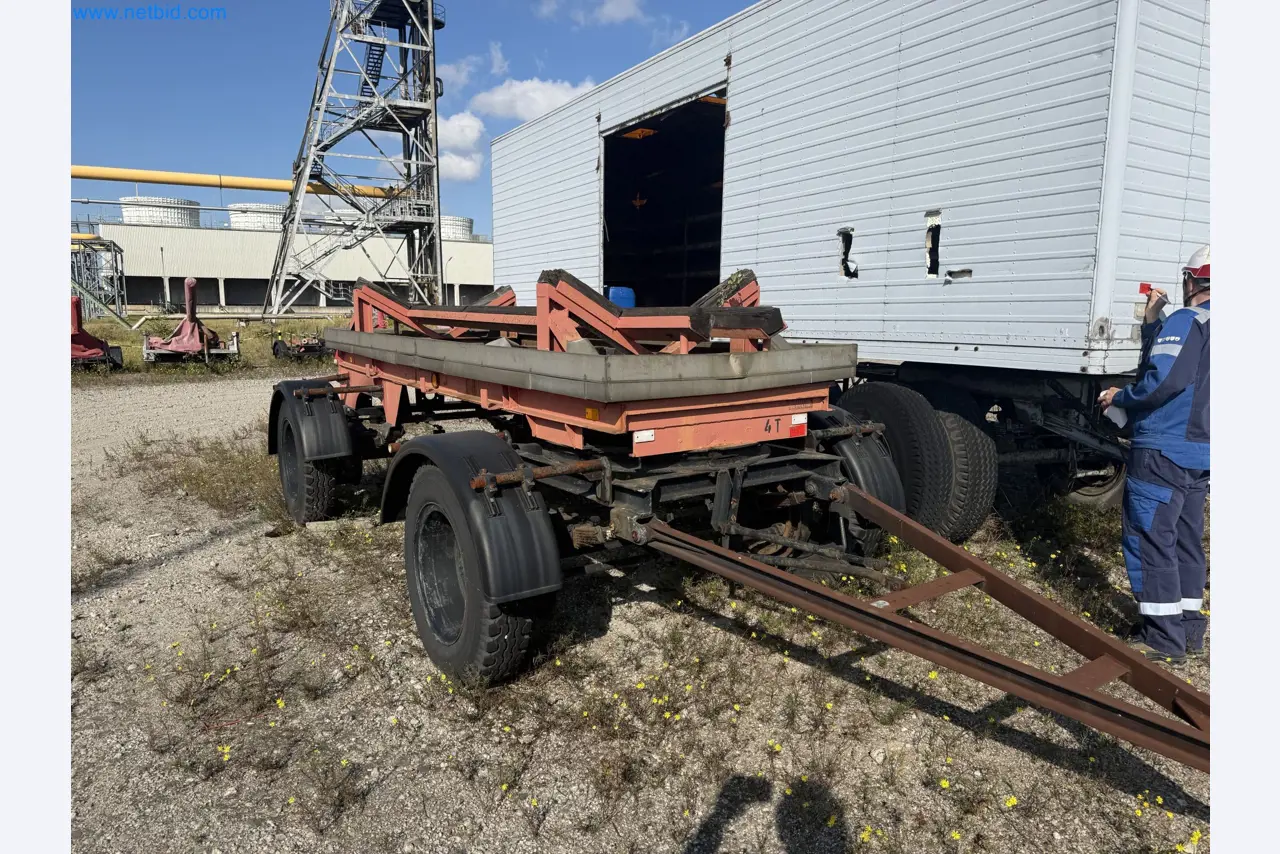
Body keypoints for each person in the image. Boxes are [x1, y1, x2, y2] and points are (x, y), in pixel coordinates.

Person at [1098, 245, 1210, 664]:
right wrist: (1152, 325)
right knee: (1185, 539)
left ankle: (1162, 640)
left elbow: (1162, 380)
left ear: (1193, 280)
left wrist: (1118, 396)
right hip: (1200, 453)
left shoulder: (1186, 320)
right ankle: (1187, 631)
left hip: (1162, 446)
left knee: (1150, 538)